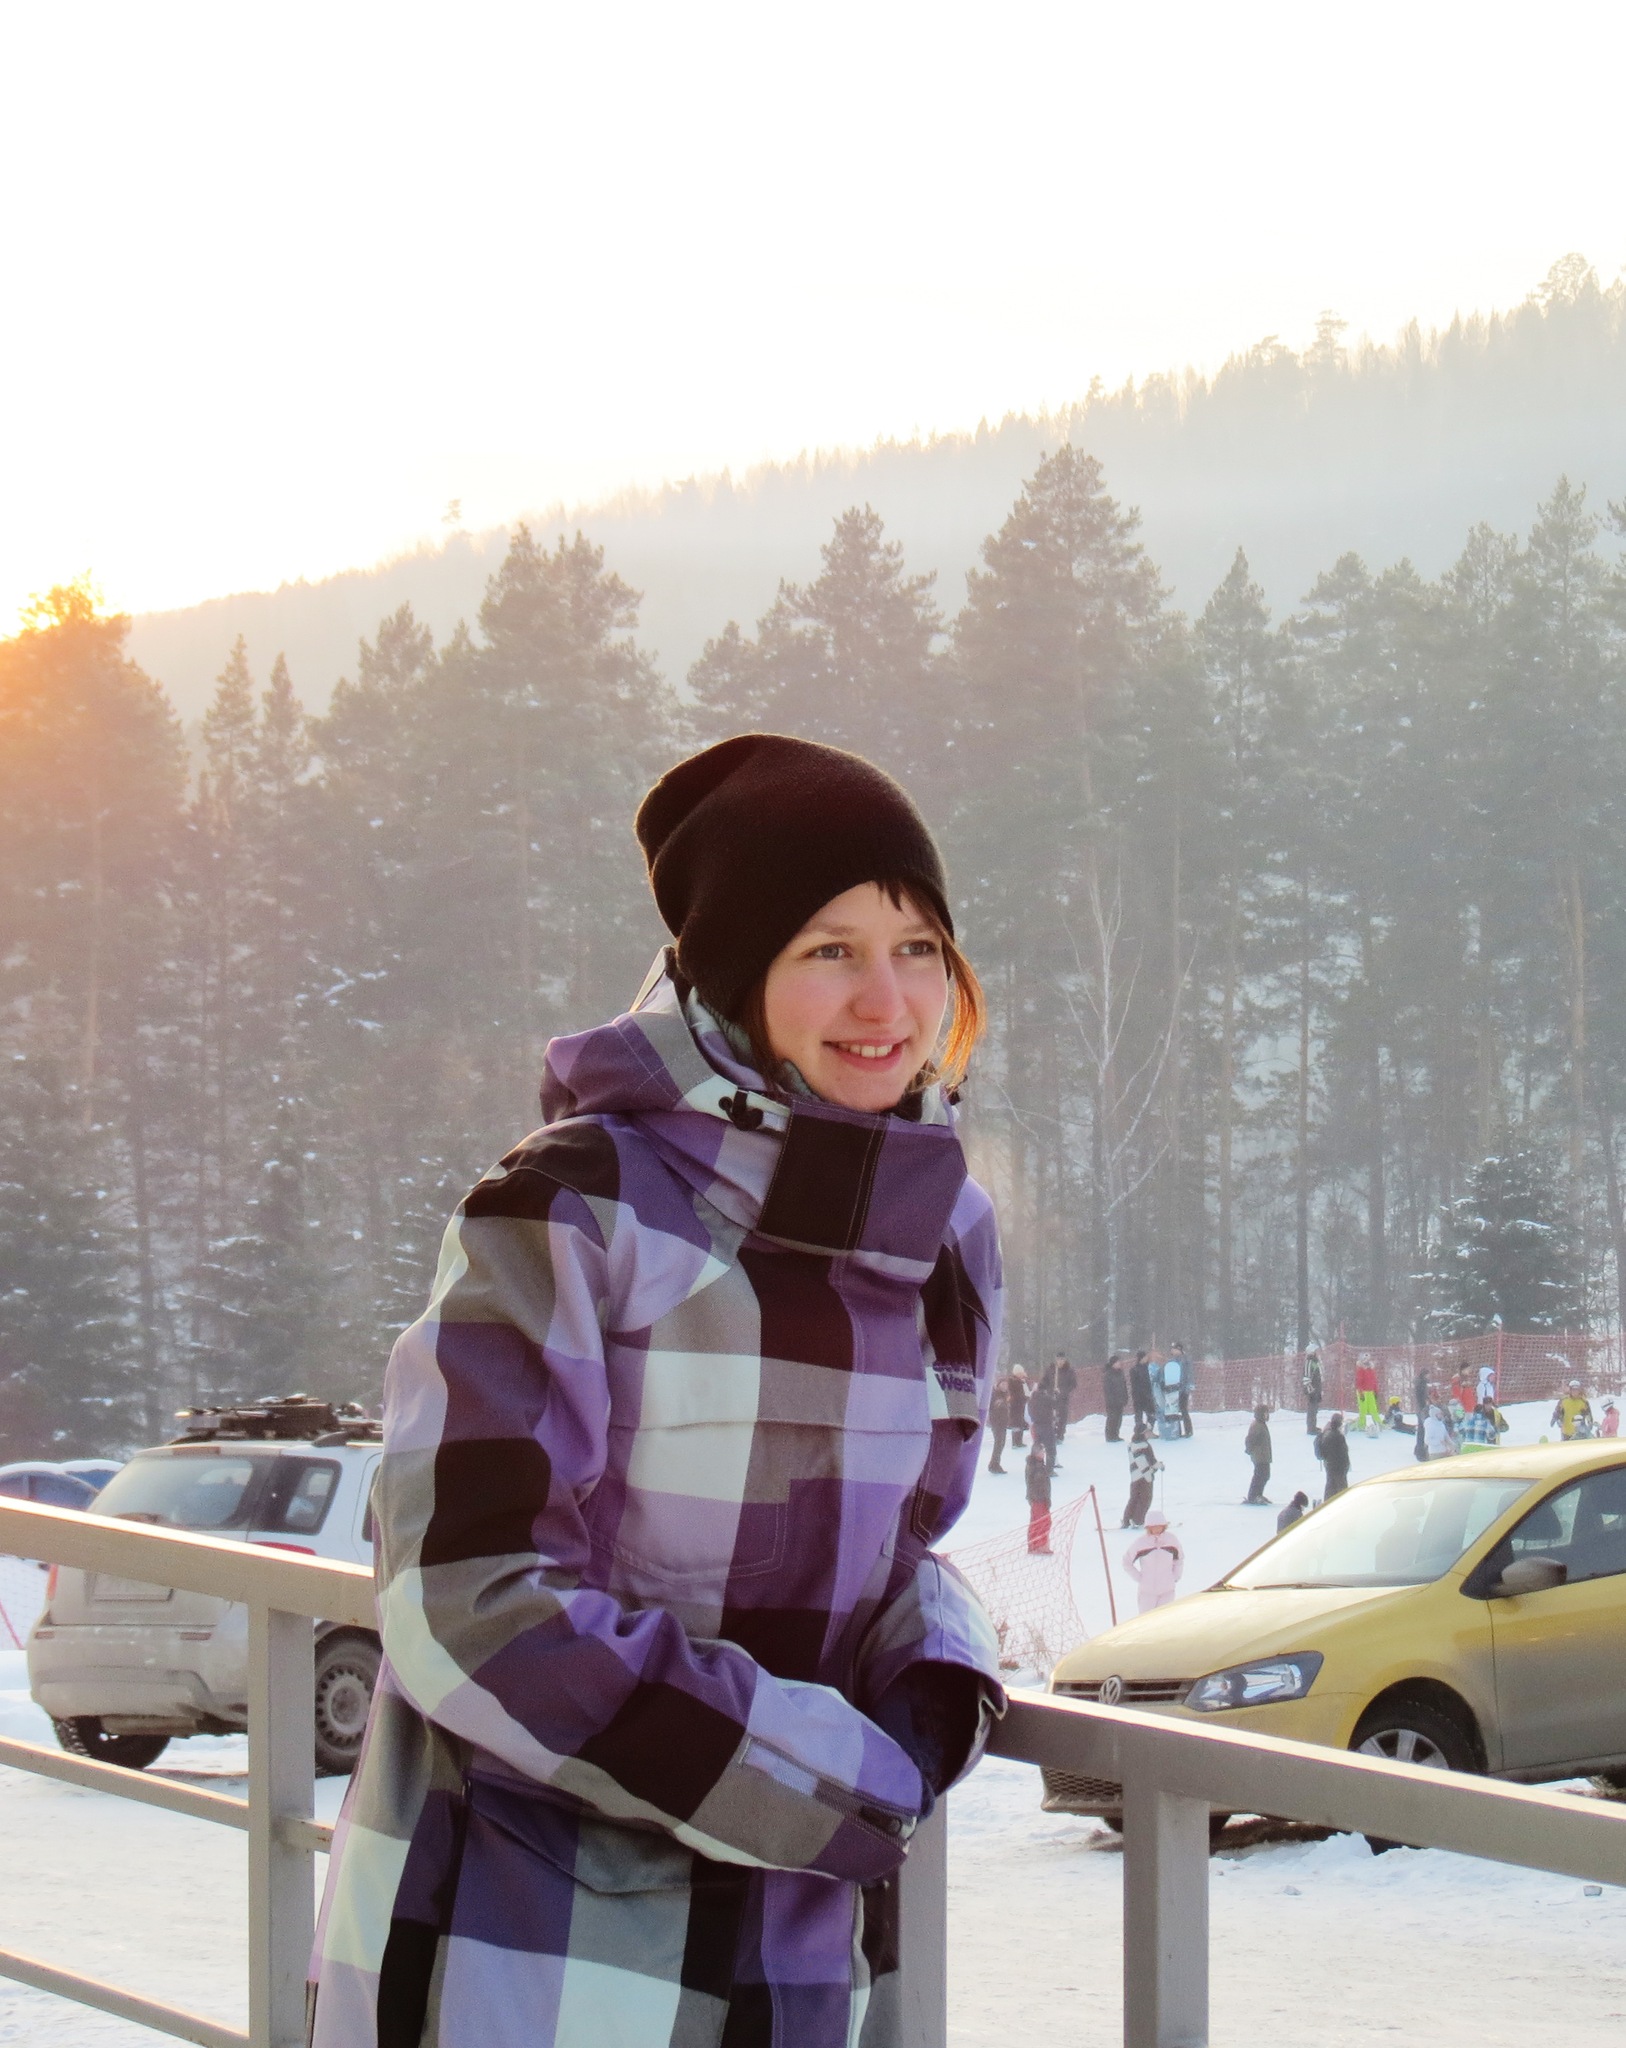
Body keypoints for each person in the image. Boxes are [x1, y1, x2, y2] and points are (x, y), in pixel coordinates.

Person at [308, 733, 1008, 2048]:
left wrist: (938, 1674)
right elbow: (469, 1598)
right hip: (529, 1950)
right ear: (738, 975)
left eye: (918, 947)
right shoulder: (572, 1207)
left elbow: (901, 1541)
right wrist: (836, 1775)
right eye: (829, 950)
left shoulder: (942, 1228)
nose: (887, 1000)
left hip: (797, 1958)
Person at [1123, 1509, 1184, 1613]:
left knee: (1164, 1618)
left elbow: (1179, 1559)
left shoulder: (1172, 1540)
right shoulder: (1141, 1543)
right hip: (1147, 1592)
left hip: (1167, 1590)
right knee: (1146, 1619)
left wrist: (1175, 1576)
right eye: (1153, 1527)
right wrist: (1139, 1578)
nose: (1157, 1529)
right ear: (1148, 1527)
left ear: (1164, 1526)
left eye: (1159, 1526)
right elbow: (1126, 1561)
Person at [1123, 1422, 1161, 1529]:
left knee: (1134, 1498)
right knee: (1145, 1499)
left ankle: (1127, 1520)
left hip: (1134, 1476)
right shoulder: (1144, 1446)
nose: (1150, 1433)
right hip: (1145, 1476)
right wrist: (1158, 1467)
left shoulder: (1132, 1445)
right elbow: (1150, 1461)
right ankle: (1138, 1520)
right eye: (1148, 1432)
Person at [1029, 1371, 1061, 1477]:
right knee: (1050, 1448)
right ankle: (1049, 1470)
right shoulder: (1046, 1398)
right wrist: (1056, 1394)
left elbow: (1030, 1412)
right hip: (1046, 1426)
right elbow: (1056, 1404)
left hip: (1036, 1425)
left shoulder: (1032, 1399)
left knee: (1037, 1447)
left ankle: (1034, 1466)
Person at [1025, 1436, 1054, 1554]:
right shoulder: (1034, 1466)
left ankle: (1037, 1545)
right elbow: (1034, 1483)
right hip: (1038, 1498)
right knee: (1041, 1522)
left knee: (1041, 1521)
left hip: (1041, 1498)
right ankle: (1038, 1546)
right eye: (1041, 1451)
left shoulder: (1040, 1464)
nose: (1043, 1453)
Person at [1315, 1411, 1351, 1501]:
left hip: (1329, 1466)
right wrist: (1346, 1466)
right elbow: (1344, 1453)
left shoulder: (1325, 1434)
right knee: (1342, 1493)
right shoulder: (1338, 1436)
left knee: (1330, 1490)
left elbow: (1322, 1453)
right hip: (1339, 1468)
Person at [1244, 1403, 1273, 1504]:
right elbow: (1250, 1439)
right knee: (1260, 1475)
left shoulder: (1261, 1424)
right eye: (1265, 1413)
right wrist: (1249, 1449)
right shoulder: (1257, 1426)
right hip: (1259, 1456)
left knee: (1265, 1475)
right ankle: (1253, 1496)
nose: (1267, 1415)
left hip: (1264, 1456)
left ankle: (1258, 1494)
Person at [1102, 1350, 1129, 1443]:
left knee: (1119, 1419)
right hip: (1112, 1401)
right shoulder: (1108, 1374)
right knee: (1112, 1418)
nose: (1119, 1363)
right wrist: (1111, 1400)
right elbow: (1107, 1390)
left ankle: (1116, 1434)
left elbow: (1124, 1386)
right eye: (1117, 1362)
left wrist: (1125, 1397)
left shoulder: (1120, 1373)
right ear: (1113, 1364)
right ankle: (1110, 1436)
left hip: (1120, 1400)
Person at [986, 1374, 1010, 1473]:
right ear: (999, 1385)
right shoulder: (995, 1394)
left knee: (1001, 1443)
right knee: (999, 1443)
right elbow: (991, 1407)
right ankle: (994, 1465)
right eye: (1003, 1384)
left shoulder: (1005, 1394)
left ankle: (995, 1463)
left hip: (1003, 1422)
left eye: (1006, 1384)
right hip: (996, 1422)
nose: (1005, 1386)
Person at [1170, 1341, 1195, 1438]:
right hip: (1174, 1388)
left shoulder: (1185, 1359)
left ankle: (1188, 1430)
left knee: (1183, 1409)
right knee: (1174, 1410)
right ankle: (1177, 1430)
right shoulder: (1172, 1360)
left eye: (1173, 1349)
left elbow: (1189, 1373)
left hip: (1183, 1388)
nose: (1172, 1351)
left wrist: (1189, 1385)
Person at [1129, 1349, 1156, 1432]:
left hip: (1148, 1395)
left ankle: (1149, 1430)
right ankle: (1139, 1431)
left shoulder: (1149, 1368)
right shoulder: (1134, 1370)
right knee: (1139, 1415)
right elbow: (1135, 1384)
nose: (1147, 1358)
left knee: (1151, 1415)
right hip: (1139, 1396)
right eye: (1145, 1357)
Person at [1053, 1352, 1078, 1440]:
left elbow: (1073, 1384)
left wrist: (1063, 1392)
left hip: (1063, 1398)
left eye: (1062, 1359)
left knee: (1062, 1417)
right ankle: (1053, 1434)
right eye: (1058, 1359)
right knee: (1053, 1417)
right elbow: (1046, 1381)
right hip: (1052, 1398)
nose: (1060, 1361)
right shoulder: (1053, 1370)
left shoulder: (1069, 1370)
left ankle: (1060, 1435)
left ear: (1065, 1360)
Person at [1354, 1355, 1381, 1433]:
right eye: (1365, 1359)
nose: (1367, 1360)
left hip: (1370, 1391)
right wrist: (1361, 1393)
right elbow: (1359, 1382)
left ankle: (1378, 1423)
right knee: (1363, 1410)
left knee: (1373, 1409)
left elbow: (1374, 1381)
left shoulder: (1371, 1369)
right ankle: (1361, 1425)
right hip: (1363, 1392)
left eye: (1368, 1359)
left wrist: (1376, 1391)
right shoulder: (1360, 1369)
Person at [1007, 1365, 1030, 1447]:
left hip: (1021, 1405)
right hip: (1015, 1405)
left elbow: (1026, 1391)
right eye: (1020, 1373)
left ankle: (1019, 1441)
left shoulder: (1021, 1381)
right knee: (1016, 1423)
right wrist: (1024, 1397)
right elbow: (1017, 1394)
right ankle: (1015, 1441)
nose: (1022, 1374)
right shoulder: (1014, 1381)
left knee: (1020, 1423)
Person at [1303, 1347, 1323, 1435]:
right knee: (1311, 1409)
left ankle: (1313, 1426)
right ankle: (1311, 1428)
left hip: (1316, 1389)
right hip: (1312, 1391)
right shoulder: (1309, 1362)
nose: (1318, 1353)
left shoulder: (1315, 1362)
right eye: (1316, 1351)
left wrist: (1319, 1391)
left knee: (1315, 1410)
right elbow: (1306, 1378)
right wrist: (1311, 1391)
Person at [1413, 1368, 1430, 1462]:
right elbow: (1420, 1398)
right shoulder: (1421, 1384)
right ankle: (1420, 1450)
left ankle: (1418, 1448)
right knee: (1422, 1430)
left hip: (1420, 1409)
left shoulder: (1421, 1383)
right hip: (1421, 1409)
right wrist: (1424, 1407)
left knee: (1421, 1429)